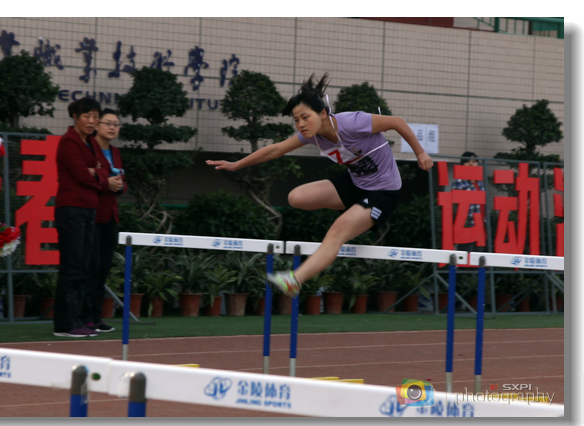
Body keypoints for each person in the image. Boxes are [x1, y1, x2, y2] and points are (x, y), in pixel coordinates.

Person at [207, 73, 434, 297]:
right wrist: (236, 165)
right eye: (296, 120)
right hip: (354, 182)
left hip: (382, 191)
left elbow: (396, 122)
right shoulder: (312, 136)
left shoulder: (353, 123)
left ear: (323, 113)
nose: (301, 124)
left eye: (305, 117)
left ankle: (295, 280)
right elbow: (275, 149)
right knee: (296, 197)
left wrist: (420, 153)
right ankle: (356, 212)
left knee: (336, 232)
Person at [53, 98, 112, 338]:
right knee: (72, 266)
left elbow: (105, 169)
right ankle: (65, 323)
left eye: (95, 117)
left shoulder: (91, 142)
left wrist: (96, 172)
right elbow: (81, 175)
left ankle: (78, 318)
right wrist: (98, 175)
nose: (91, 121)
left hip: (89, 209)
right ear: (75, 117)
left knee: (84, 266)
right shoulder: (69, 141)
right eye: (87, 116)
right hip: (71, 209)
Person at [80, 108, 126, 333]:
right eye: (107, 123)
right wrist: (106, 183)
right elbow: (85, 179)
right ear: (97, 126)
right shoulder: (89, 149)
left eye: (115, 124)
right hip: (91, 214)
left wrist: (119, 185)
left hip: (110, 216)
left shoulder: (114, 151)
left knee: (103, 268)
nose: (112, 127)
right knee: (91, 267)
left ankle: (96, 316)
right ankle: (85, 316)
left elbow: (120, 178)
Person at [451, 151, 485, 253]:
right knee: (466, 254)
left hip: (480, 223)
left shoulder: (479, 182)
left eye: (474, 161)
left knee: (478, 255)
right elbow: (456, 202)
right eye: (467, 162)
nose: (471, 164)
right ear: (462, 164)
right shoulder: (459, 181)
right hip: (466, 224)